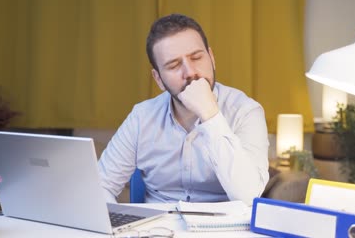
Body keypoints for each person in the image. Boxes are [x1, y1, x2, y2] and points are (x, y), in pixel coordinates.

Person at [98, 14, 269, 205]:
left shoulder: (246, 111)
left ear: (212, 58)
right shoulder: (141, 117)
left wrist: (210, 115)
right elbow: (100, 186)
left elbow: (249, 197)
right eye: (174, 65)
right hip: (157, 230)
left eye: (196, 58)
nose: (190, 73)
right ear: (158, 79)